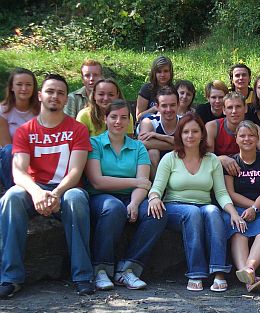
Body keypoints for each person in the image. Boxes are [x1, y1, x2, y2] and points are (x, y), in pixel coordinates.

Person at [0, 74, 95, 297]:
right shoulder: (25, 130)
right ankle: (10, 278)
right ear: (40, 95)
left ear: (66, 99)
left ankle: (83, 275)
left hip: (66, 189)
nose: (55, 96)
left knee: (76, 199)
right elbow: (18, 171)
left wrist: (55, 193)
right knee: (11, 198)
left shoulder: (77, 130)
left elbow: (75, 170)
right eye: (50, 91)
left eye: (61, 93)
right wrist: (37, 193)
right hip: (35, 189)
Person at [148, 113, 242, 292]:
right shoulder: (170, 158)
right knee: (193, 212)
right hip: (175, 206)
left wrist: (234, 213)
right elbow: (157, 188)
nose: (190, 136)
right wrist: (153, 198)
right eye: (185, 132)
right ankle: (196, 272)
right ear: (180, 135)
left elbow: (221, 193)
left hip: (203, 205)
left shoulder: (212, 159)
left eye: (195, 131)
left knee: (213, 211)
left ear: (202, 134)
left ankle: (219, 271)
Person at [85, 100, 167, 291]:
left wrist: (135, 203)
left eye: (124, 117)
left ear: (129, 121)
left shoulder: (138, 147)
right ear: (105, 119)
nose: (118, 122)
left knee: (158, 212)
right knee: (113, 208)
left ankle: (128, 270)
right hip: (101, 196)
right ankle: (101, 269)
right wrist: (134, 183)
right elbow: (97, 181)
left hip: (132, 196)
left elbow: (144, 181)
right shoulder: (95, 144)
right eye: (113, 117)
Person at [223, 120, 260, 293]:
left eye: (251, 135)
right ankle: (249, 278)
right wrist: (255, 208)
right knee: (238, 231)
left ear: (258, 139)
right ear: (236, 138)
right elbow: (231, 193)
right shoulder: (231, 163)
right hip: (239, 208)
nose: (247, 139)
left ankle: (249, 269)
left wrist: (257, 209)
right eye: (242, 135)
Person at [206, 91, 260, 176]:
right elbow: (205, 157)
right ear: (223, 110)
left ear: (245, 108)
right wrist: (220, 159)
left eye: (238, 106)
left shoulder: (254, 128)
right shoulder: (213, 127)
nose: (234, 111)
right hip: (220, 174)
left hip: (248, 174)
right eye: (230, 107)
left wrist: (246, 162)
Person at [0, 68, 40, 190]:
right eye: (19, 84)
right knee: (9, 150)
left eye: (28, 85)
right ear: (12, 87)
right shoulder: (3, 111)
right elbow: (6, 145)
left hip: (37, 153)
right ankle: (13, 190)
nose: (24, 88)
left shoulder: (41, 110)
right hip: (11, 157)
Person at [138, 86, 180, 180]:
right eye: (164, 105)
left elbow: (196, 145)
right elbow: (142, 143)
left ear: (178, 105)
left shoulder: (185, 122)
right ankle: (157, 188)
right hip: (156, 166)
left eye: (172, 105)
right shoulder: (149, 121)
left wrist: (159, 136)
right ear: (157, 107)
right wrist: (181, 145)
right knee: (153, 152)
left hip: (180, 164)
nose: (168, 110)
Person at [136, 56, 174, 120]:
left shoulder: (174, 90)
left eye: (166, 71)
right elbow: (138, 117)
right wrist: (154, 108)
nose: (162, 75)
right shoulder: (146, 89)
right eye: (159, 71)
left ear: (170, 72)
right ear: (154, 73)